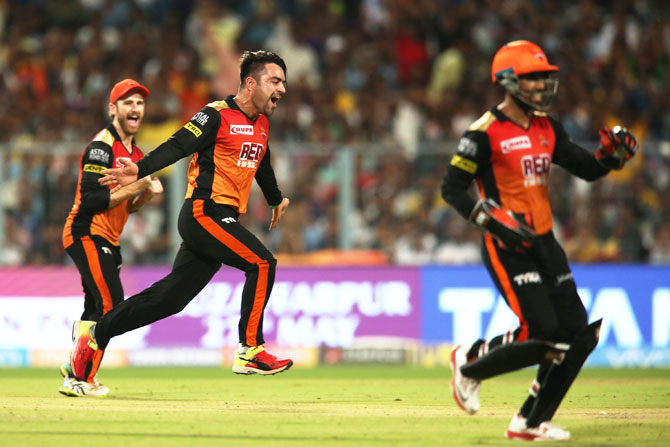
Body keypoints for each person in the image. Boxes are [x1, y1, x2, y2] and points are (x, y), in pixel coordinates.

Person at [441, 40, 638, 441]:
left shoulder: (548, 126)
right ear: (508, 82)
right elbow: (452, 189)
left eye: (545, 78)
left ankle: (529, 422)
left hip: (546, 243)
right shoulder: (483, 133)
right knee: (543, 334)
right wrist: (494, 223)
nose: (542, 87)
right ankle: (469, 363)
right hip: (506, 244)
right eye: (533, 80)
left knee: (579, 335)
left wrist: (611, 157)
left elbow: (587, 169)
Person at [68, 50, 293, 388]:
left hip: (223, 218)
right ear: (250, 83)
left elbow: (261, 161)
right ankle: (249, 350)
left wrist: (275, 199)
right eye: (275, 81)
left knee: (170, 299)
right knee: (262, 263)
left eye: (283, 83)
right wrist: (139, 169)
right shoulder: (216, 115)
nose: (283, 89)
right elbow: (177, 146)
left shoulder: (262, 125)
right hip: (204, 212)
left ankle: (98, 332)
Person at [59, 78, 164, 397]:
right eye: (128, 102)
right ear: (113, 109)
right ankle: (80, 378)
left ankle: (74, 367)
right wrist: (139, 185)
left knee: (95, 309)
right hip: (86, 232)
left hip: (108, 239)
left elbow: (128, 206)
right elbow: (92, 200)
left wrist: (146, 194)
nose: (135, 108)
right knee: (110, 305)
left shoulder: (137, 153)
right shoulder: (101, 147)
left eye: (140, 103)